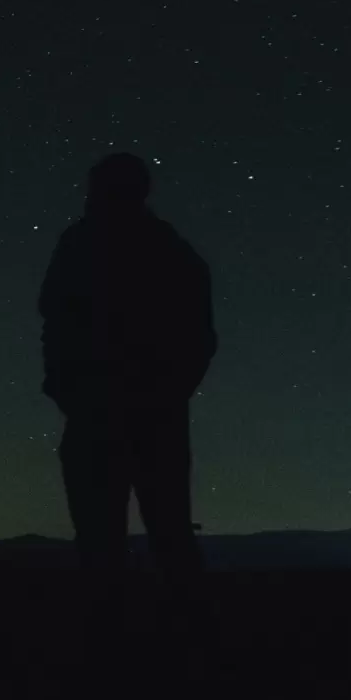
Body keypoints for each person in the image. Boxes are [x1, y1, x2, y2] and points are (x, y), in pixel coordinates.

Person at [39, 153, 217, 667]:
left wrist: (67, 386)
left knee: (113, 539)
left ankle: (115, 651)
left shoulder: (87, 246)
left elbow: (54, 315)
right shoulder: (170, 252)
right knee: (163, 535)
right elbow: (201, 340)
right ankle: (181, 646)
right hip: (143, 417)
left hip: (114, 415)